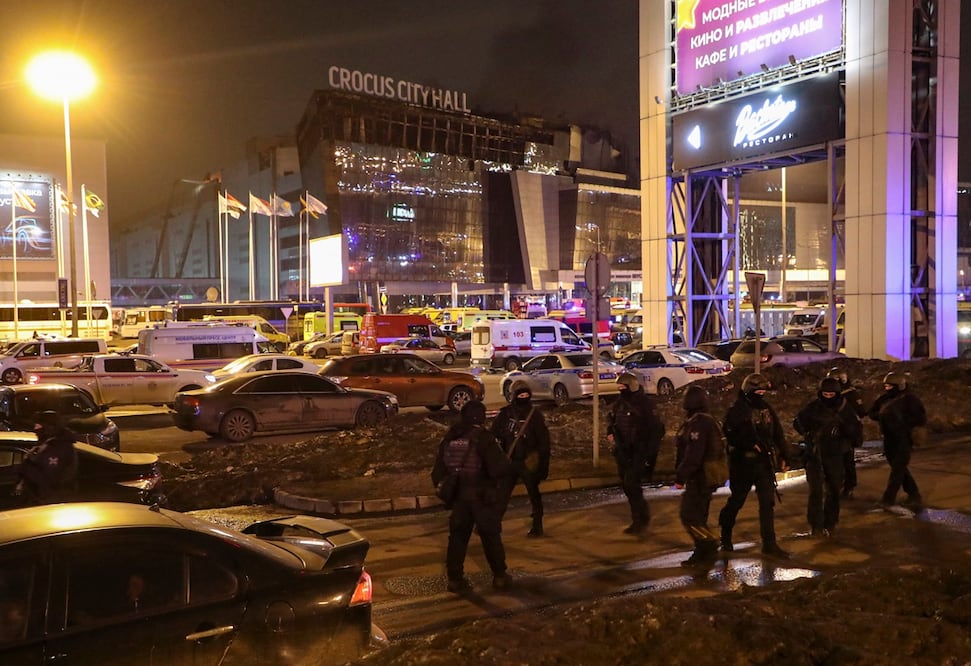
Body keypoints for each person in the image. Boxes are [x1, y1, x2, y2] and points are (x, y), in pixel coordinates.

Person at [431, 401, 513, 593]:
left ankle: (455, 579)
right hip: (481, 498)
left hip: (459, 498)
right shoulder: (484, 438)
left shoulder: (451, 437)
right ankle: (500, 576)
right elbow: (499, 468)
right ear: (480, 417)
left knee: (458, 539)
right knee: (491, 537)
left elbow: (437, 472)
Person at [717, 373, 792, 559]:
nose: (760, 395)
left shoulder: (766, 409)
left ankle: (769, 544)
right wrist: (748, 443)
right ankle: (725, 536)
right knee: (737, 501)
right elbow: (730, 434)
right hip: (742, 464)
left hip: (763, 464)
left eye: (762, 392)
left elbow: (778, 434)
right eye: (757, 391)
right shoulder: (737, 410)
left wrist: (784, 455)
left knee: (767, 503)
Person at [793, 377, 863, 537]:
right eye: (825, 394)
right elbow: (798, 423)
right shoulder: (813, 407)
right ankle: (816, 525)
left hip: (835, 454)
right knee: (816, 491)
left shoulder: (846, 409)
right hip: (815, 454)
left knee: (833, 490)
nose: (828, 397)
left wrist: (843, 430)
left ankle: (830, 522)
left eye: (831, 394)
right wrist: (810, 431)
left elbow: (856, 431)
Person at [674, 384, 726, 568]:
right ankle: (703, 552)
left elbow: (694, 454)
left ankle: (709, 545)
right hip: (703, 476)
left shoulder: (700, 423)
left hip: (701, 476)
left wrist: (681, 476)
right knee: (698, 516)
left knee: (689, 515)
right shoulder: (703, 420)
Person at [606, 372, 665, 535]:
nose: (620, 390)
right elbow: (612, 422)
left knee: (632, 483)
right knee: (628, 485)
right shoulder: (619, 404)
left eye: (623, 387)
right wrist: (610, 433)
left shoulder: (644, 404)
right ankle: (639, 517)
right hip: (623, 451)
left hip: (639, 451)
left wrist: (649, 454)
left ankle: (640, 519)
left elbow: (656, 430)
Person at [492, 381, 551, 537]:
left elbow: (544, 442)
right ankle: (493, 525)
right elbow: (494, 434)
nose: (523, 398)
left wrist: (543, 466)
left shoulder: (534, 415)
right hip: (510, 461)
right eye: (520, 395)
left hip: (528, 462)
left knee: (533, 494)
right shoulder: (505, 414)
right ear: (513, 396)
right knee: (502, 495)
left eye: (526, 395)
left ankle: (537, 525)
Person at [868, 372, 927, 509]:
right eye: (886, 386)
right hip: (889, 438)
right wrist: (882, 417)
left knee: (898, 470)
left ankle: (888, 499)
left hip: (904, 439)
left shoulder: (910, 400)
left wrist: (902, 421)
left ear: (899, 386)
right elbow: (872, 412)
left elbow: (920, 419)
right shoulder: (884, 399)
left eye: (890, 386)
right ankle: (914, 494)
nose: (887, 389)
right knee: (899, 469)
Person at [16, 410, 79, 505]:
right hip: (45, 498)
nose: (35, 429)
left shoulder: (57, 448)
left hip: (51, 501)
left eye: (38, 425)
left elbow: (48, 478)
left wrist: (27, 468)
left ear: (49, 427)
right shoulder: (48, 444)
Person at [826, 367, 867, 498]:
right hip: (832, 432)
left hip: (847, 432)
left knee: (847, 459)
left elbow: (860, 411)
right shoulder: (830, 394)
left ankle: (849, 485)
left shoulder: (850, 394)